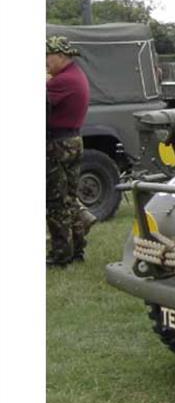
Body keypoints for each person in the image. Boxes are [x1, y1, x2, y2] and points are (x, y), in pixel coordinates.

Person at [46, 35, 95, 267]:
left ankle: (60, 255)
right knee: (69, 199)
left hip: (58, 144)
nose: (45, 61)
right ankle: (77, 250)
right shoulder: (76, 75)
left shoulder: (60, 81)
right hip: (72, 140)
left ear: (61, 56)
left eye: (48, 56)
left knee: (56, 202)